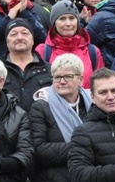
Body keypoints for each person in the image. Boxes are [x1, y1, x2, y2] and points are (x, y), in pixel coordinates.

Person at [28, 54, 93, 182]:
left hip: (90, 173)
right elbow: (39, 150)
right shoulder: (40, 107)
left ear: (80, 79)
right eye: (57, 77)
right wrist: (82, 148)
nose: (62, 81)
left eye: (68, 76)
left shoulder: (93, 103)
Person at [36, 0, 103, 88]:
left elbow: (100, 85)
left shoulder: (93, 52)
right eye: (62, 19)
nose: (68, 23)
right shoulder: (43, 51)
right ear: (54, 23)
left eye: (71, 18)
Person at [2, 19, 51, 111]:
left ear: (32, 40)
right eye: (13, 34)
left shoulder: (49, 70)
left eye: (25, 33)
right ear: (6, 42)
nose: (19, 37)